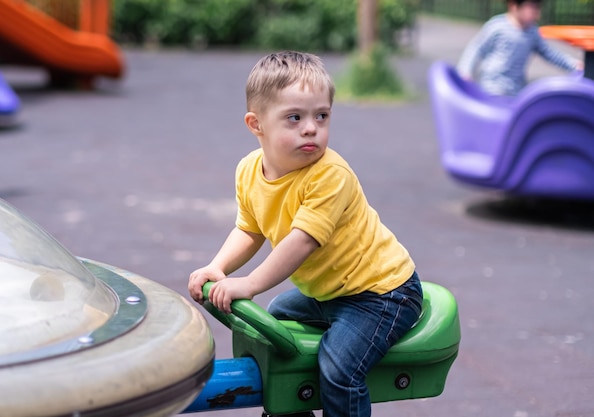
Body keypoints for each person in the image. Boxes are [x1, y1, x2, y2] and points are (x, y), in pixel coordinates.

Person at [188, 51, 423, 417]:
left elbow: (302, 241)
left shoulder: (330, 175)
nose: (311, 127)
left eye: (321, 116)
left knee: (339, 368)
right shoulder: (249, 171)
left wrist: (248, 284)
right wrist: (217, 267)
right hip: (333, 291)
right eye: (294, 118)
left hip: (383, 293)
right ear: (257, 124)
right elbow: (248, 229)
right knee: (277, 318)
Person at [457, 0, 583, 96]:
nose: (536, 13)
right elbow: (477, 48)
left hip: (515, 89)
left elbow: (549, 53)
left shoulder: (532, 32)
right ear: (514, 6)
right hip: (492, 86)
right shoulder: (497, 26)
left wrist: (574, 65)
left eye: (537, 8)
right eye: (531, 8)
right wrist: (465, 71)